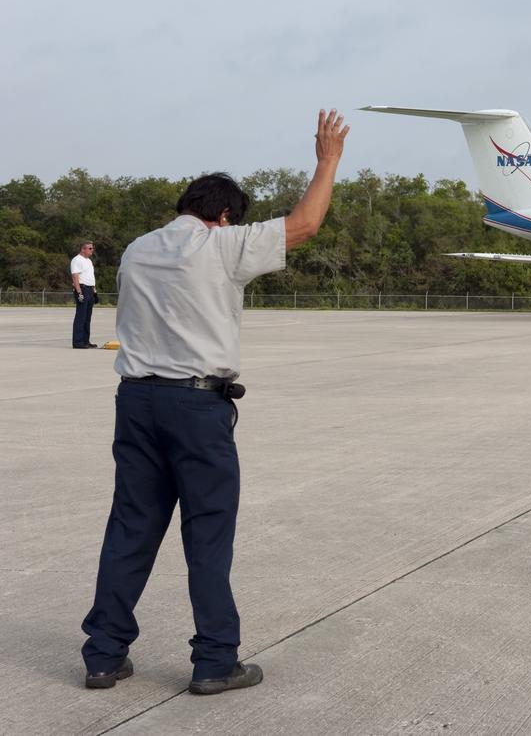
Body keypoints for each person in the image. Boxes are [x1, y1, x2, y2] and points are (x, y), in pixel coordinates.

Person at [80, 109, 349, 694]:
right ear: (224, 216)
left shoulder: (136, 249)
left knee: (130, 527)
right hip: (196, 408)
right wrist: (328, 159)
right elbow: (304, 225)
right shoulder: (223, 244)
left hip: (136, 401)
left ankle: (103, 654)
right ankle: (214, 660)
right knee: (206, 532)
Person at [70, 241, 97, 348]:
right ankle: (78, 342)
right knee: (81, 316)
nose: (92, 250)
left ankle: (85, 340)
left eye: (92, 248)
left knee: (87, 317)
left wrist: (95, 291)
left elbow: (91, 277)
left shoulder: (89, 261)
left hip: (90, 289)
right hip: (82, 288)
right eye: (90, 248)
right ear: (83, 249)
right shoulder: (77, 260)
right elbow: (75, 276)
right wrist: (79, 292)